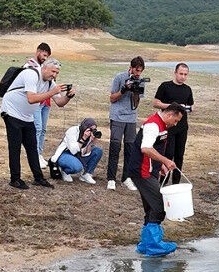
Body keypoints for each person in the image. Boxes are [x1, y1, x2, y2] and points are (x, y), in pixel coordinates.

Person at [0, 57, 68, 190]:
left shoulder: (50, 83)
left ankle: (38, 178)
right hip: (11, 112)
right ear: (45, 68)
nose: (54, 75)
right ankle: (15, 179)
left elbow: (60, 103)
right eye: (53, 71)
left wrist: (68, 96)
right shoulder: (31, 74)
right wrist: (52, 92)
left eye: (57, 73)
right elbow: (31, 98)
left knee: (32, 147)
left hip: (27, 116)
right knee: (15, 147)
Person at [132, 105, 183, 256]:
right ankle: (154, 246)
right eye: (176, 120)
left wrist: (159, 164)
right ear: (169, 115)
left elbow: (155, 148)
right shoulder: (153, 125)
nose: (175, 124)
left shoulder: (161, 125)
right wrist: (166, 161)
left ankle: (145, 244)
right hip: (142, 172)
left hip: (150, 170)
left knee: (150, 207)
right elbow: (146, 148)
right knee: (159, 206)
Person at [106, 56, 147, 190]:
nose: (138, 73)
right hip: (117, 116)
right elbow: (112, 98)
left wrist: (135, 90)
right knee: (115, 147)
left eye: (140, 71)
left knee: (130, 149)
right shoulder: (119, 77)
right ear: (131, 67)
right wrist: (124, 90)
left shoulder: (140, 81)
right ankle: (111, 178)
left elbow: (136, 103)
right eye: (136, 70)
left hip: (131, 118)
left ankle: (126, 177)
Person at [153, 62, 194, 182]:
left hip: (182, 127)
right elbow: (156, 103)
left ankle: (176, 182)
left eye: (185, 74)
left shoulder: (187, 89)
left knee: (179, 155)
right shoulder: (165, 86)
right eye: (181, 73)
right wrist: (172, 106)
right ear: (175, 73)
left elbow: (191, 105)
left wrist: (189, 108)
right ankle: (163, 181)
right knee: (168, 153)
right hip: (168, 126)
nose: (183, 76)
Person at [48, 116, 103, 184]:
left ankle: (86, 174)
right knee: (77, 167)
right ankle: (65, 171)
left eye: (94, 130)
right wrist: (83, 138)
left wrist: (91, 142)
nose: (91, 131)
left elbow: (86, 153)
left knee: (97, 151)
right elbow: (73, 150)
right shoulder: (72, 131)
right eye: (90, 129)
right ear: (85, 127)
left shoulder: (89, 135)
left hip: (77, 155)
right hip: (65, 154)